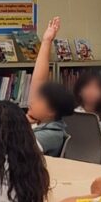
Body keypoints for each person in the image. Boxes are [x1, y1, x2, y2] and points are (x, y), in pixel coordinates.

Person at [27, 17, 78, 156]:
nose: (31, 100)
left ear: (50, 111)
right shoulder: (39, 122)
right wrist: (46, 42)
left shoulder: (51, 135)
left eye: (38, 99)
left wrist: (20, 125)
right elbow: (38, 81)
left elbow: (15, 151)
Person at [72, 72, 101, 149]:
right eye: (87, 87)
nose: (92, 92)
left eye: (96, 88)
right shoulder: (75, 113)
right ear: (79, 91)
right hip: (85, 148)